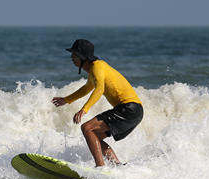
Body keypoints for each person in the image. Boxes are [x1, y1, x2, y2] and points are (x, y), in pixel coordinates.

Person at [52, 39, 144, 167]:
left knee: (87, 128)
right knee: (94, 134)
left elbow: (99, 89)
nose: (71, 57)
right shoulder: (93, 70)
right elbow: (86, 88)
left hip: (129, 108)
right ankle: (116, 165)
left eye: (74, 55)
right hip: (134, 111)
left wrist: (84, 110)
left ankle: (100, 167)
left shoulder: (97, 66)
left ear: (83, 57)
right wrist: (66, 100)